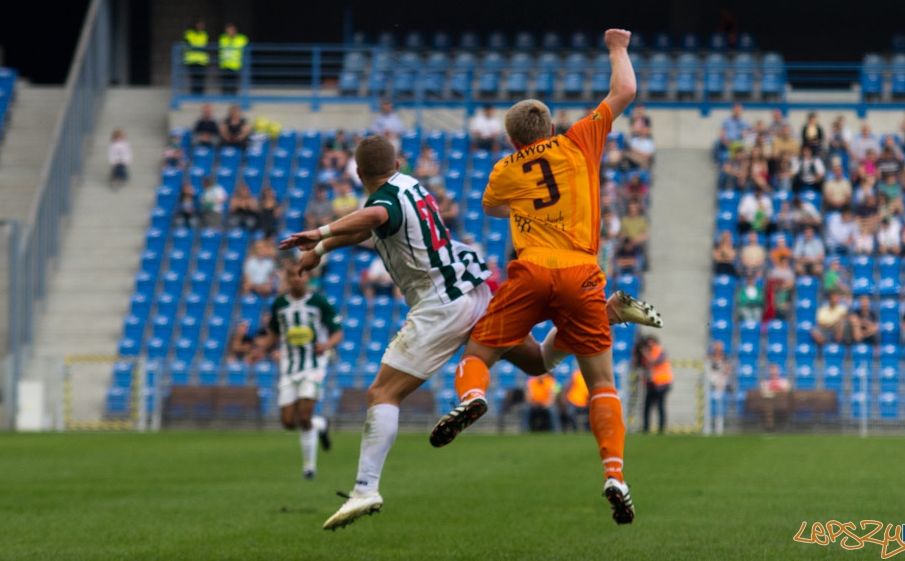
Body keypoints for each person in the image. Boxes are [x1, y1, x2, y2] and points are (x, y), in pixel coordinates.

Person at [280, 134, 664, 530]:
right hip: (472, 287)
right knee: (536, 362)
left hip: (440, 305)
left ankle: (366, 488)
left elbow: (375, 218)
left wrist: (321, 232)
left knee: (383, 393)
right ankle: (607, 312)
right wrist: (322, 250)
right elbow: (372, 224)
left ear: (358, 173)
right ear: (397, 165)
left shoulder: (382, 203)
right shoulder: (409, 186)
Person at [428, 29, 645, 526]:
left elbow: (493, 207)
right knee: (601, 383)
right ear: (549, 126)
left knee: (481, 350)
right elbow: (625, 91)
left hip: (530, 272)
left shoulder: (506, 167)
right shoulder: (579, 141)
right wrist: (616, 47)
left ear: (512, 138)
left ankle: (473, 396)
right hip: (583, 273)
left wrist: (526, 203)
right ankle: (614, 472)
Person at [248, 263, 339, 480]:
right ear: (287, 279)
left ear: (307, 277)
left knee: (304, 414)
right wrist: (260, 350)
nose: (297, 279)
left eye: (301, 274)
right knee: (289, 422)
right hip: (289, 368)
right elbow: (274, 334)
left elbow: (337, 332)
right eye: (292, 275)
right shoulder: (279, 304)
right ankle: (321, 425)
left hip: (313, 365)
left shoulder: (319, 302)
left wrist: (326, 345)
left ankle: (309, 467)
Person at [641, 336, 672, 434]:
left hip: (662, 383)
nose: (650, 345)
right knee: (647, 407)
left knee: (660, 407)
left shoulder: (659, 351)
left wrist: (645, 354)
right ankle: (646, 428)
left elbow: (655, 362)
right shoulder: (647, 353)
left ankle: (661, 429)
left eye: (652, 343)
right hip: (651, 384)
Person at [706, 341, 731, 435]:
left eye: (719, 348)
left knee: (719, 406)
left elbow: (727, 371)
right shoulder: (710, 358)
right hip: (711, 385)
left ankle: (719, 427)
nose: (718, 350)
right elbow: (708, 371)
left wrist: (721, 381)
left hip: (721, 385)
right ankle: (707, 426)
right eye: (716, 348)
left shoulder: (725, 359)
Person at [218, 23, 248, 96]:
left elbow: (246, 49)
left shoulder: (242, 38)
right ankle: (225, 96)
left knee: (234, 82)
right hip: (225, 64)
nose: (229, 31)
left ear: (235, 30)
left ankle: (233, 96)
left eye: (231, 30)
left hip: (236, 64)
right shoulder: (223, 38)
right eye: (228, 30)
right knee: (225, 82)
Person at [182, 19, 209, 95]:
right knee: (193, 79)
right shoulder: (189, 33)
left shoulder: (204, 34)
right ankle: (193, 94)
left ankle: (200, 94)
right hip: (191, 60)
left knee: (201, 79)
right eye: (198, 24)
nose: (200, 26)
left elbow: (206, 46)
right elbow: (184, 45)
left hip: (201, 60)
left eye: (201, 25)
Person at [560, 367, 590, 432]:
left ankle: (589, 430)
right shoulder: (576, 375)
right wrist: (564, 398)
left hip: (586, 402)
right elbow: (566, 387)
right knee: (570, 412)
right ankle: (575, 429)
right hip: (574, 401)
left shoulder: (591, 376)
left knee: (594, 412)